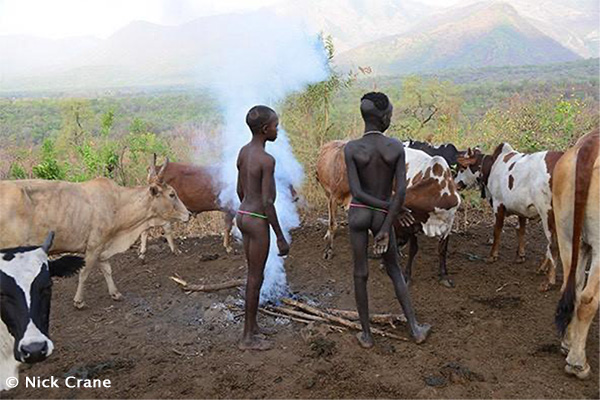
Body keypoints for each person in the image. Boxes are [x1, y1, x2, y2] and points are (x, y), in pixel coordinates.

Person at [344, 92, 431, 347]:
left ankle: (367, 335)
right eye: (390, 114)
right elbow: (401, 191)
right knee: (394, 269)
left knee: (360, 273)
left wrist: (385, 208)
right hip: (383, 215)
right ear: (383, 118)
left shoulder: (352, 148)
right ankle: (415, 329)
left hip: (359, 212)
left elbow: (357, 192)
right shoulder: (395, 147)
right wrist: (389, 218)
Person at [236, 105, 290, 351]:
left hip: (244, 215)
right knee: (255, 277)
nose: (278, 130)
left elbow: (240, 191)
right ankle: (248, 337)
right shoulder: (267, 160)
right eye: (276, 126)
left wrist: (247, 210)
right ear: (265, 129)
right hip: (257, 220)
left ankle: (253, 327)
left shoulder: (244, 152)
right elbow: (268, 202)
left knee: (252, 275)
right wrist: (280, 236)